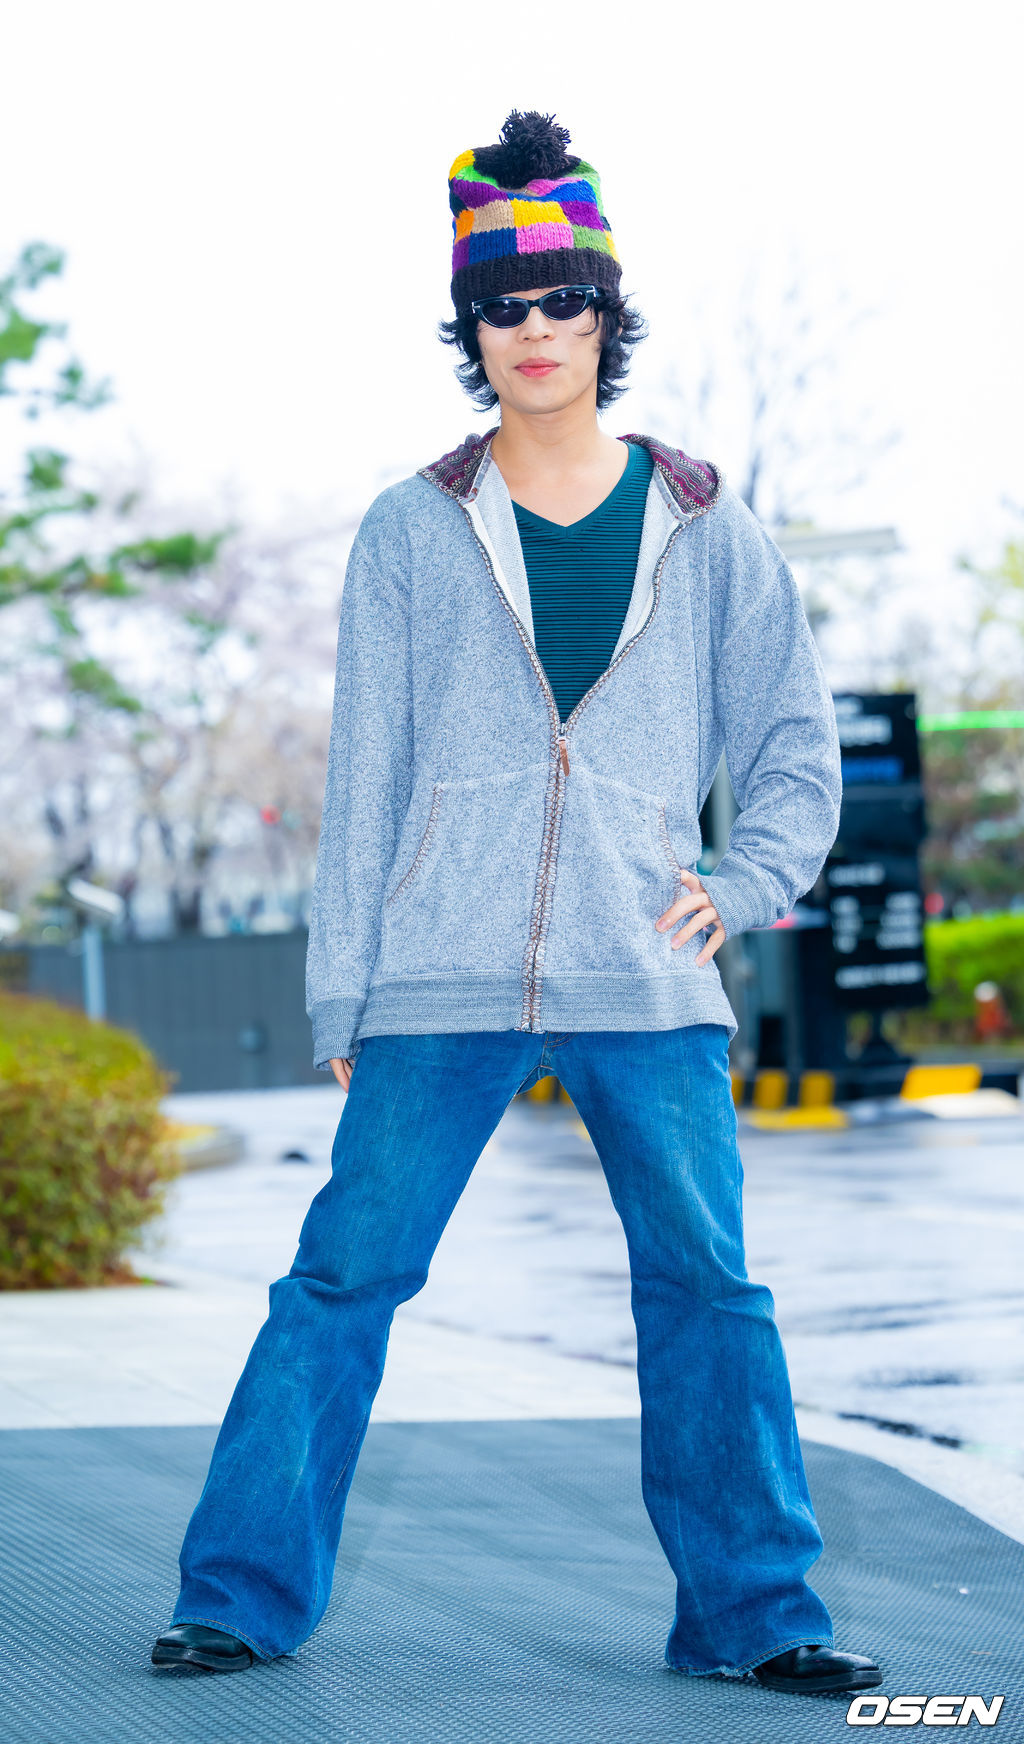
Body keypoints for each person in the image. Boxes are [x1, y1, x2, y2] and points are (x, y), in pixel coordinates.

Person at [152, 110, 882, 1698]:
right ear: (470, 330)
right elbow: (369, 776)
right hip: (439, 973)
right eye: (503, 305)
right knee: (341, 1278)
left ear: (606, 316)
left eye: (563, 300)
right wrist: (343, 987)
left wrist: (746, 880)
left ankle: (755, 1615)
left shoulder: (708, 525)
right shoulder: (412, 527)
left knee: (708, 1290)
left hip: (648, 972)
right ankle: (240, 1594)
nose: (535, 329)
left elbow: (792, 743)